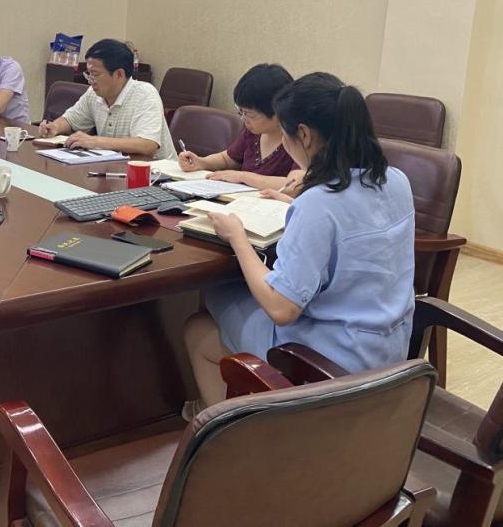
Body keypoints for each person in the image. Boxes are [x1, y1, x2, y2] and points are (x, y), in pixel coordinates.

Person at [182, 72, 415, 412]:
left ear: (304, 134)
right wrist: (295, 204)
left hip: (330, 360)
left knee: (202, 321)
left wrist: (237, 237)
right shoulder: (395, 180)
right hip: (390, 349)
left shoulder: (319, 203)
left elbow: (281, 308)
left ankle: (223, 433)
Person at [38, 38, 176, 159]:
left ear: (119, 75)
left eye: (95, 74)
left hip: (158, 174)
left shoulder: (145, 94)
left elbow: (148, 144)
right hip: (116, 168)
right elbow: (71, 120)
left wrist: (95, 141)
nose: (90, 80)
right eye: (88, 73)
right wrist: (55, 127)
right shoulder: (94, 94)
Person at [178, 63, 302, 192]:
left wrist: (242, 177)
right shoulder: (253, 132)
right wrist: (201, 162)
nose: (243, 119)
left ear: (278, 112)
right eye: (240, 112)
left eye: (250, 115)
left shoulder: (299, 140)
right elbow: (227, 159)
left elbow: (294, 186)